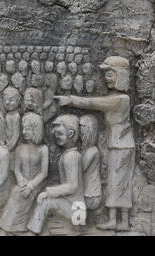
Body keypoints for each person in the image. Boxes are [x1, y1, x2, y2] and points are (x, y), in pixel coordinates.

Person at [55, 56, 135, 231]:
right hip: (116, 143)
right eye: (106, 74)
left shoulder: (122, 99)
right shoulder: (116, 96)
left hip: (122, 145)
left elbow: (94, 103)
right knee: (115, 182)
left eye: (110, 74)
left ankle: (123, 221)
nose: (106, 78)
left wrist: (71, 100)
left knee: (120, 182)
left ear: (120, 75)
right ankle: (115, 219)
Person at [27, 115, 84, 234]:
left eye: (59, 134)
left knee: (44, 201)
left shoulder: (71, 156)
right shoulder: (68, 154)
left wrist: (48, 192)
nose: (56, 137)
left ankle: (33, 231)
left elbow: (72, 186)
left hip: (75, 208)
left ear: (71, 133)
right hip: (73, 205)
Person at [0, 112, 48, 233]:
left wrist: (31, 186)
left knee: (25, 195)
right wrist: (22, 183)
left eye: (28, 129)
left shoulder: (43, 149)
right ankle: (8, 225)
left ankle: (19, 226)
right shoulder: (20, 148)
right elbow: (17, 169)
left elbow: (44, 173)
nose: (24, 132)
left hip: (37, 184)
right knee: (16, 192)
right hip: (22, 183)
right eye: (23, 128)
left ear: (36, 129)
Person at [80, 115, 102, 210]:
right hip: (88, 194)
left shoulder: (92, 150)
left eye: (82, 126)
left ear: (89, 129)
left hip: (91, 196)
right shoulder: (87, 150)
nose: (79, 129)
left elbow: (81, 168)